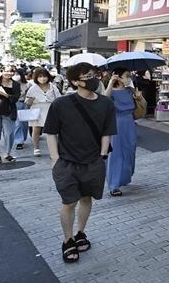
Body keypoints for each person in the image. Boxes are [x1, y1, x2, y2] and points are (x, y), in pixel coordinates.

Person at [44, 62, 116, 263]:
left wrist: (102, 156)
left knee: (86, 199)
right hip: (66, 163)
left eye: (94, 74)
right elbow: (51, 133)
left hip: (93, 162)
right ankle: (67, 240)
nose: (93, 79)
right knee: (69, 202)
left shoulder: (105, 103)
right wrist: (55, 159)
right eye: (87, 76)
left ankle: (80, 233)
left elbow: (106, 132)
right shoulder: (61, 104)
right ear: (75, 81)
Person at [105, 68, 140, 197]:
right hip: (117, 124)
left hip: (130, 122)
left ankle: (124, 178)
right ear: (118, 77)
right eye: (126, 76)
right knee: (116, 154)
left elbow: (140, 106)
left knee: (130, 150)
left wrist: (139, 98)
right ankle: (114, 185)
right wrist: (110, 83)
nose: (129, 78)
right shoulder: (112, 92)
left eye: (129, 76)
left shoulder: (130, 90)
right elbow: (103, 99)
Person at [25, 67, 62, 156]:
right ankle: (36, 148)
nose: (43, 78)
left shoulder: (53, 87)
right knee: (36, 129)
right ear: (36, 77)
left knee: (52, 131)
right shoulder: (33, 88)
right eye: (40, 76)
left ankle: (54, 149)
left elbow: (59, 98)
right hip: (37, 109)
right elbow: (27, 101)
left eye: (44, 76)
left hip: (50, 109)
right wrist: (32, 100)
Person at [12, 68, 31, 150]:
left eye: (17, 74)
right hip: (16, 103)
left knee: (24, 123)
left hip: (25, 104)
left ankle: (23, 138)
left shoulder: (27, 84)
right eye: (14, 74)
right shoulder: (12, 84)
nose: (16, 76)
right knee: (18, 123)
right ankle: (19, 141)